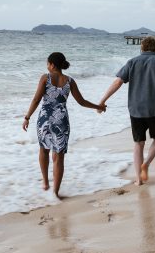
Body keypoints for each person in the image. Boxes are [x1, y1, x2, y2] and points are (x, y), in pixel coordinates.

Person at [23, 52, 105, 199]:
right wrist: (98, 106)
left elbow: (36, 99)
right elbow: (81, 101)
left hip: (45, 119)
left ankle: (45, 182)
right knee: (59, 157)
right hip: (61, 120)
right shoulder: (70, 81)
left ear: (52, 64)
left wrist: (27, 117)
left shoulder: (45, 78)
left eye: (48, 63)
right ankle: (55, 192)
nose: (47, 66)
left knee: (44, 150)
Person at [99, 36, 155, 185]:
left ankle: (139, 179)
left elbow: (118, 82)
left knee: (138, 143)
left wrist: (103, 100)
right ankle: (146, 164)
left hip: (136, 109)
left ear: (141, 47)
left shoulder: (132, 62)